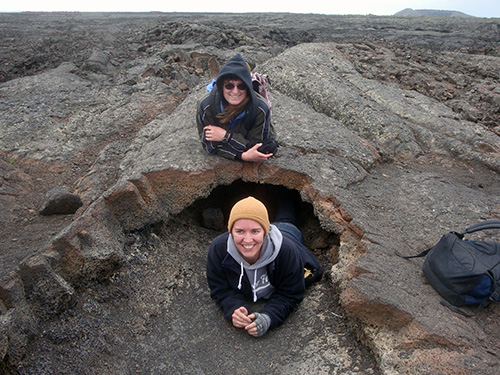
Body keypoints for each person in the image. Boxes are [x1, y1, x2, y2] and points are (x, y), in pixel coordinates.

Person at [206, 192, 323, 337]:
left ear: (265, 232)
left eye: (255, 231)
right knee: (282, 218)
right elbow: (220, 289)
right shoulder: (219, 249)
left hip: (288, 234)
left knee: (287, 220)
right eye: (240, 231)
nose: (247, 240)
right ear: (230, 231)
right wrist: (233, 308)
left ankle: (285, 193)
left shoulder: (287, 251)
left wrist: (269, 317)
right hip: (269, 230)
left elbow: (291, 293)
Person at [196, 54, 277, 162]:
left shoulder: (260, 109)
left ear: (248, 87)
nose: (235, 91)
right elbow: (210, 146)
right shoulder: (206, 106)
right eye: (229, 85)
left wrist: (226, 137)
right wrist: (242, 155)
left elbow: (257, 147)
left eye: (241, 86)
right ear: (221, 86)